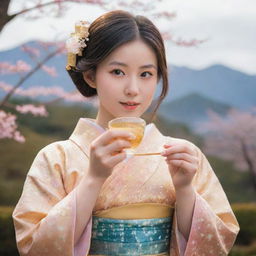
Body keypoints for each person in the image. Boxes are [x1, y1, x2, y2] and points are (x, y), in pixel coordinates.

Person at [13, 10, 239, 256]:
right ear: (90, 76)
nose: (133, 89)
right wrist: (93, 179)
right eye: (117, 72)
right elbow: (34, 247)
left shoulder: (183, 156)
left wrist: (185, 190)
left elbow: (218, 242)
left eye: (146, 74)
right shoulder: (56, 158)